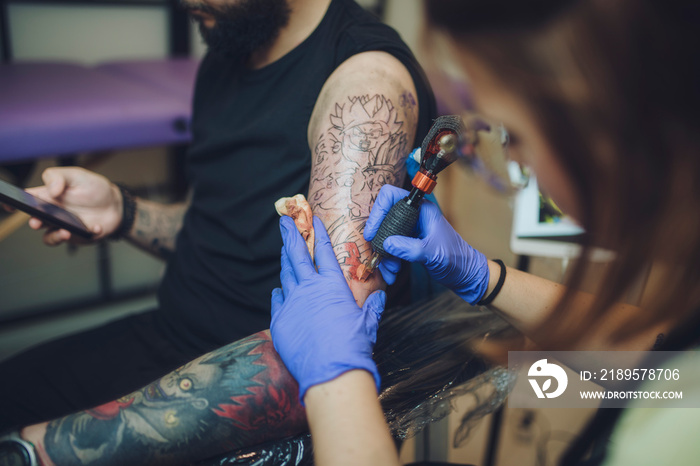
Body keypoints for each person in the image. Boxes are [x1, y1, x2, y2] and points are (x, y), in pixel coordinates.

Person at [269, 0, 700, 465]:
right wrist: (485, 278)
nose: (515, 166)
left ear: (606, 130)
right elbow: (666, 371)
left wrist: (335, 380)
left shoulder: (672, 438)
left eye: (516, 135)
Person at [0, 0, 436, 430]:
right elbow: (219, 227)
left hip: (264, 385)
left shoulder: (365, 91)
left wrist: (71, 442)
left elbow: (331, 340)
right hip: (169, 336)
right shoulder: (228, 48)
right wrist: (123, 210)